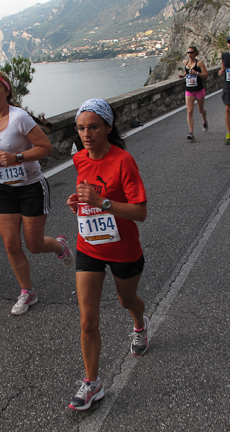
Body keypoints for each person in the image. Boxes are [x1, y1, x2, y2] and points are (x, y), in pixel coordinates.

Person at [66, 99, 148, 411]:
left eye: (93, 127)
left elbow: (140, 212)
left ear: (108, 127)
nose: (86, 134)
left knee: (127, 301)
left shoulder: (123, 161)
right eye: (81, 128)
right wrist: (78, 202)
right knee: (87, 321)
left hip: (123, 249)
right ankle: (92, 383)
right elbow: (86, 196)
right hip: (89, 246)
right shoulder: (79, 159)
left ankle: (140, 324)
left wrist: (102, 203)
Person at [0, 69, 72, 316]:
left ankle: (59, 246)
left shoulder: (20, 117)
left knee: (34, 244)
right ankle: (28, 292)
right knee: (11, 244)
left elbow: (45, 147)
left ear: (6, 90)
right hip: (6, 189)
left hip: (32, 186)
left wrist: (17, 157)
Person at [178, 46, 208, 140]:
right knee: (190, 111)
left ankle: (204, 121)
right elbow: (187, 71)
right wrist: (183, 75)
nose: (189, 54)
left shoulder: (199, 63)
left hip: (199, 90)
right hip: (189, 90)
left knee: (200, 110)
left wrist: (197, 73)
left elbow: (206, 75)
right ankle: (191, 132)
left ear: (195, 53)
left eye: (191, 52)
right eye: (188, 52)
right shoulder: (185, 62)